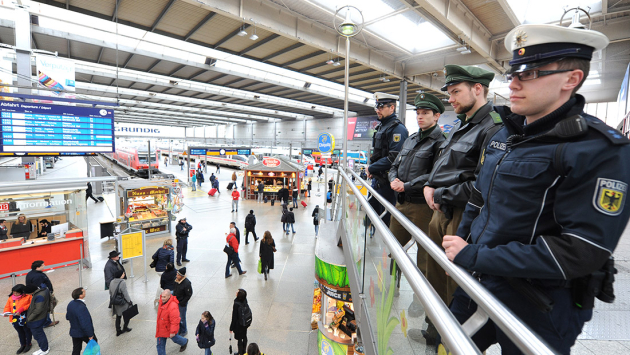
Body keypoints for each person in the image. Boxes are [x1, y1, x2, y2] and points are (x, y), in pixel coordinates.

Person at [444, 23, 630, 354]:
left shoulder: (600, 150)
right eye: (512, 72)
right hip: (479, 280)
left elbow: (581, 250)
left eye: (529, 73)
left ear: (571, 79)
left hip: (540, 303)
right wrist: (466, 244)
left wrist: (474, 253)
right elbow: (479, 198)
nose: (512, 84)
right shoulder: (506, 136)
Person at [387, 93, 446, 319]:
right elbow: (395, 164)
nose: (420, 117)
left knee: (424, 257)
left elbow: (436, 174)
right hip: (401, 204)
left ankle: (418, 301)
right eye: (418, 113)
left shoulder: (441, 142)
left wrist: (408, 185)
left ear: (437, 116)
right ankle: (392, 286)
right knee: (394, 248)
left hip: (423, 207)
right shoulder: (411, 139)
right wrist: (393, 179)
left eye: (425, 113)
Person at [367, 92, 409, 227]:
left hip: (388, 184)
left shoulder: (398, 129)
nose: (377, 110)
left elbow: (394, 158)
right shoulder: (381, 127)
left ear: (392, 108)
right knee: (371, 218)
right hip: (377, 181)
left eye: (381, 107)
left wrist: (371, 168)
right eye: (376, 107)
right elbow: (378, 154)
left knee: (386, 222)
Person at [26, 260, 57, 328]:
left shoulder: (30, 273)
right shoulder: (38, 276)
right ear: (37, 267)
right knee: (45, 307)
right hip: (43, 295)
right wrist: (50, 293)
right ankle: (46, 322)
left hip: (36, 294)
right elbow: (41, 287)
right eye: (43, 265)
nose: (44, 266)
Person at [156, 290, 188, 354]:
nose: (162, 298)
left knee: (174, 338)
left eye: (164, 297)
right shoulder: (162, 301)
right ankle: (184, 341)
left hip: (168, 328)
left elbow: (175, 320)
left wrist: (172, 331)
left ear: (169, 296)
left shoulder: (173, 306)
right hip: (162, 327)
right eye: (162, 296)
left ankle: (184, 342)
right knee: (160, 345)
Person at [3, 284, 33, 354]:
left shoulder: (28, 296)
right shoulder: (11, 298)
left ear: (22, 292)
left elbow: (31, 305)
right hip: (14, 318)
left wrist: (22, 309)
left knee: (27, 331)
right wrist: (6, 312)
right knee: (20, 332)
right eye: (14, 292)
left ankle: (29, 343)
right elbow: (7, 306)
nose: (15, 294)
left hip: (25, 317)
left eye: (17, 293)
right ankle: (23, 344)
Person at [66, 287, 96, 355]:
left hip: (74, 332)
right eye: (83, 292)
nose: (85, 292)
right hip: (83, 332)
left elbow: (67, 317)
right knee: (94, 345)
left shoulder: (70, 304)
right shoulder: (81, 307)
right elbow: (85, 322)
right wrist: (90, 334)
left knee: (76, 349)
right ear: (80, 295)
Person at [24, 284, 50, 355]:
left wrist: (29, 318)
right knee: (39, 334)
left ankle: (44, 349)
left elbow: (38, 310)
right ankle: (44, 347)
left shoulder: (39, 296)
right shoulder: (44, 289)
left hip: (37, 319)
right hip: (41, 317)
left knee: (38, 334)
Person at [109, 270, 132, 336]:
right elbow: (125, 293)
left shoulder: (112, 281)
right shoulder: (122, 282)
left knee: (118, 316)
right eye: (123, 273)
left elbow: (110, 292)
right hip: (122, 302)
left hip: (115, 302)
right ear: (121, 275)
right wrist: (129, 301)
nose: (124, 274)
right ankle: (125, 327)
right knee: (127, 315)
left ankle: (118, 330)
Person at [153, 240, 175, 305]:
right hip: (164, 270)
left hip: (158, 269)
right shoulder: (171, 251)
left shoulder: (160, 249)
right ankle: (158, 298)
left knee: (162, 283)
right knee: (161, 285)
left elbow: (153, 256)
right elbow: (171, 262)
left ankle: (160, 297)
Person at [172, 267, 193, 336]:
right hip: (175, 302)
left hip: (181, 304)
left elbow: (189, 294)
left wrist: (182, 302)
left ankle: (184, 331)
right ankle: (179, 329)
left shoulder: (187, 283)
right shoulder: (176, 281)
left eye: (178, 275)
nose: (176, 276)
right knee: (176, 317)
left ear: (181, 276)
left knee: (182, 318)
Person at [229, 289, 250, 355]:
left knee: (240, 339)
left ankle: (240, 353)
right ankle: (244, 351)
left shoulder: (236, 304)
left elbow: (234, 317)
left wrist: (231, 327)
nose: (235, 292)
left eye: (237, 292)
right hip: (245, 323)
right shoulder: (245, 300)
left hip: (239, 325)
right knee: (244, 336)